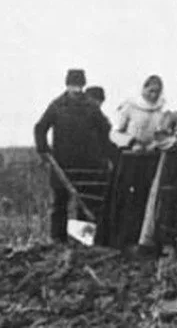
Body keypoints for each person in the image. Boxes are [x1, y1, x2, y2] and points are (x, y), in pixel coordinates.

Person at [33, 69, 113, 244]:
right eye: (72, 85)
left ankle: (83, 241)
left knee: (85, 203)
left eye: (79, 86)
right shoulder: (56, 105)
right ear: (67, 85)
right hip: (61, 163)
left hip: (88, 165)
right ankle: (57, 240)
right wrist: (44, 151)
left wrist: (106, 155)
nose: (76, 90)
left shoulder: (91, 106)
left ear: (83, 86)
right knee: (60, 202)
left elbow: (105, 130)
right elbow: (40, 128)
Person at [96, 75, 168, 249]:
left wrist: (156, 143)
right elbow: (115, 133)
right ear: (144, 89)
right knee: (126, 198)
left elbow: (161, 132)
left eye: (157, 92)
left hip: (150, 159)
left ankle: (142, 239)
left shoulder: (161, 110)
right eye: (151, 91)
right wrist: (131, 142)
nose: (153, 95)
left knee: (146, 197)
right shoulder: (130, 106)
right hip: (130, 160)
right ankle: (121, 238)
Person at [138, 77, 177, 254]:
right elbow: (160, 136)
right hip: (173, 161)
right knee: (169, 199)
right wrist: (175, 142)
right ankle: (165, 243)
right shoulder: (173, 112)